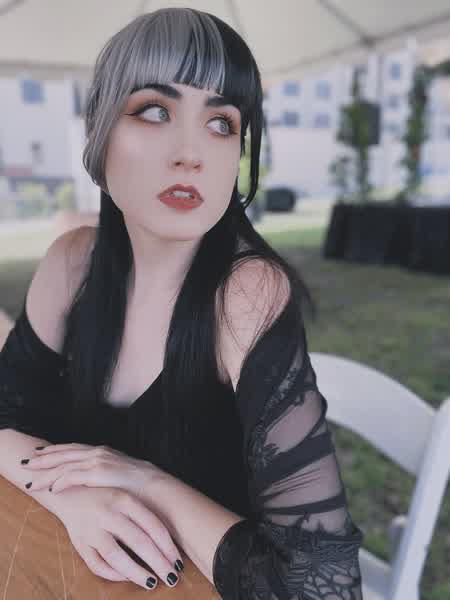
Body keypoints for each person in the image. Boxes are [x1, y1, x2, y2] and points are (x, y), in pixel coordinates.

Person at [0, 7, 364, 598]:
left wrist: (145, 482)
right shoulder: (74, 263)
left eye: (221, 122)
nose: (191, 153)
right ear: (99, 133)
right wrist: (73, 493)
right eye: (154, 111)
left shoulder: (245, 294)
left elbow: (322, 585)